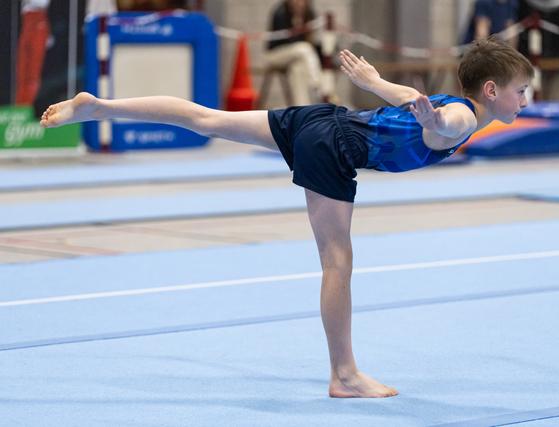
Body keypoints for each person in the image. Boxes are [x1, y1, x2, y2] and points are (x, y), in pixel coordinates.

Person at [40, 36, 533, 399]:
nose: (525, 100)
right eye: (521, 91)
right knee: (337, 262)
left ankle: (100, 107)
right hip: (336, 146)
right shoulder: (464, 116)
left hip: (321, 119)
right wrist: (431, 121)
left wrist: (378, 83)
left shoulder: (450, 101)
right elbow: (446, 122)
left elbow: (410, 97)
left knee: (206, 118)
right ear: (490, 90)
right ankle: (344, 374)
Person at [264, 0, 325, 105]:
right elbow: (283, 41)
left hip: (297, 57)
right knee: (304, 48)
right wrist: (297, 25)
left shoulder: (309, 13)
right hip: (275, 55)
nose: (299, 3)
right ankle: (317, 86)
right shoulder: (280, 12)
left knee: (297, 68)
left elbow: (313, 42)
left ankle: (302, 110)